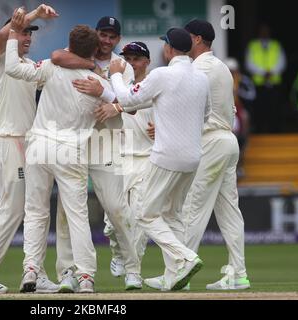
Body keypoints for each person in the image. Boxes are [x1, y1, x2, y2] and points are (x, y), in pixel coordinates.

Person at [6, 11, 115, 293]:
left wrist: (14, 36)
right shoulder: (98, 83)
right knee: (77, 215)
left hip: (39, 146)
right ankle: (86, 277)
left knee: (35, 212)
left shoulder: (51, 66)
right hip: (70, 151)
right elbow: (118, 107)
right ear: (92, 50)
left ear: (69, 45)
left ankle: (30, 269)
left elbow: (13, 69)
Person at [97, 27, 209, 290]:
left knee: (145, 214)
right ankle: (174, 276)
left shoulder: (162, 74)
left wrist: (114, 76)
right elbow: (205, 116)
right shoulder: (201, 78)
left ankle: (185, 258)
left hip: (166, 155)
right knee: (172, 215)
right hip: (193, 157)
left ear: (169, 49)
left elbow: (126, 99)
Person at [144, 20, 250, 291]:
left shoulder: (198, 68)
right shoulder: (222, 67)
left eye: (187, 37)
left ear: (198, 39)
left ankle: (179, 273)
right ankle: (238, 273)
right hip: (228, 141)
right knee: (229, 212)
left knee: (189, 209)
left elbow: (179, 101)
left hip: (210, 142)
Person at [0, 4, 60, 294]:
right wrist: (27, 17)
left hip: (30, 143)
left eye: (30, 33)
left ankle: (36, 271)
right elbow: (1, 35)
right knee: (13, 210)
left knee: (36, 210)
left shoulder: (29, 66)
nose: (27, 37)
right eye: (22, 33)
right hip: (7, 141)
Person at [51, 16, 142, 290]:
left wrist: (111, 101)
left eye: (112, 37)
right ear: (96, 33)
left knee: (116, 207)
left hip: (106, 141)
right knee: (67, 211)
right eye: (103, 34)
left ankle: (133, 268)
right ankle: (67, 272)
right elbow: (56, 57)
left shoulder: (122, 66)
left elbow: (133, 104)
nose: (107, 41)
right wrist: (94, 70)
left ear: (118, 39)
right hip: (74, 141)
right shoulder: (76, 56)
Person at [117, 41, 154, 262]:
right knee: (114, 217)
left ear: (147, 62)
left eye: (136, 59)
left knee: (139, 215)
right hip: (120, 157)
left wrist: (164, 128)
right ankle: (118, 254)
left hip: (147, 157)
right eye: (128, 59)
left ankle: (134, 267)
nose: (132, 64)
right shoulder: (120, 84)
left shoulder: (155, 84)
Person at [245, 24, 286, 133]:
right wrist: (263, 72)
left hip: (274, 83)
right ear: (259, 32)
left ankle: (275, 131)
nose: (264, 33)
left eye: (266, 31)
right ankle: (259, 131)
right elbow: (249, 63)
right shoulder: (253, 45)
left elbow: (282, 62)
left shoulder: (276, 45)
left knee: (275, 108)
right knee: (259, 108)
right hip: (259, 84)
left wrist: (271, 72)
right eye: (262, 31)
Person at [224, 57, 254, 179]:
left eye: (233, 70)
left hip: (239, 109)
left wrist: (238, 91)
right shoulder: (221, 80)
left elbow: (251, 94)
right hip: (226, 110)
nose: (231, 72)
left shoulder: (243, 80)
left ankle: (240, 165)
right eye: (229, 70)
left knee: (244, 123)